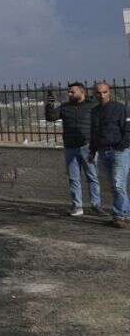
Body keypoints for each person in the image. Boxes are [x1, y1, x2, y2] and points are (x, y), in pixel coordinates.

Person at [44, 82, 100, 216]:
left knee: (92, 177)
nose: (69, 94)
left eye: (72, 92)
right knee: (74, 179)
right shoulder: (65, 107)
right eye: (69, 92)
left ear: (82, 92)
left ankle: (96, 205)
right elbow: (51, 117)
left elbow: (100, 122)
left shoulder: (92, 106)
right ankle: (77, 206)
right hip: (70, 147)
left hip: (87, 146)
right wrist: (49, 104)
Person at [88, 82, 129, 229]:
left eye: (104, 92)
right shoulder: (95, 111)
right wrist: (92, 152)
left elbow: (127, 129)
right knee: (115, 186)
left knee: (118, 185)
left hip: (119, 152)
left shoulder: (120, 108)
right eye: (99, 93)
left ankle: (118, 216)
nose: (102, 95)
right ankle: (126, 214)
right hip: (103, 152)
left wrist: (121, 146)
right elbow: (94, 133)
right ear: (95, 94)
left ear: (109, 92)